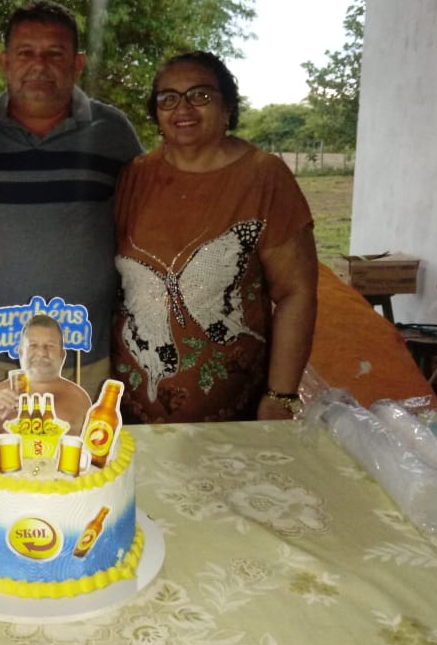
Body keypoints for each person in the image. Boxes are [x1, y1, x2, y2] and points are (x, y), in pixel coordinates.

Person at [112, 51, 318, 424]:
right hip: (129, 416)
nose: (183, 108)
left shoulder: (263, 177)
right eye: (168, 98)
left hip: (236, 417)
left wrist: (280, 397)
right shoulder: (134, 176)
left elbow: (296, 292)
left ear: (228, 106)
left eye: (200, 95)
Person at [0, 0, 143, 399]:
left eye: (54, 54)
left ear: (77, 64)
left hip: (85, 354)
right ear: (5, 62)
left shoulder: (112, 130)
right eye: (25, 53)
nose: (39, 65)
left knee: (86, 442)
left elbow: (143, 217)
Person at [0, 314, 93, 434]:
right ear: (20, 352)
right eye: (33, 345)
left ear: (62, 355)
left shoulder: (78, 398)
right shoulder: (1, 394)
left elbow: (97, 442)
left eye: (50, 346)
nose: (41, 353)